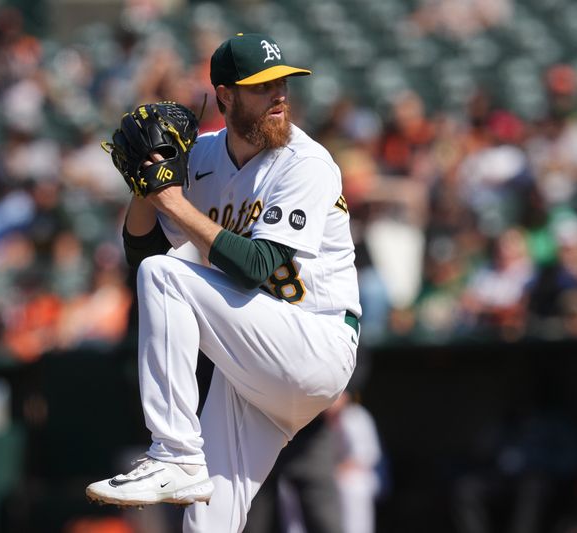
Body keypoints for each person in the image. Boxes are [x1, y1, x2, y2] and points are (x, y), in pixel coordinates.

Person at [85, 32, 361, 533]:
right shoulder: (204, 158)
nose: (278, 96)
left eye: (282, 84)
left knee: (167, 276)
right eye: (262, 87)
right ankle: (181, 462)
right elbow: (141, 252)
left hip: (316, 341)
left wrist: (171, 200)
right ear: (226, 95)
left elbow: (259, 265)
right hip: (254, 363)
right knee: (207, 522)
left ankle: (173, 452)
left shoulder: (306, 162)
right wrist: (147, 187)